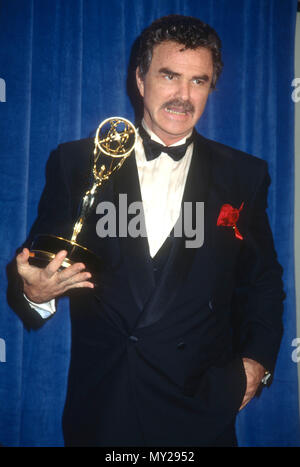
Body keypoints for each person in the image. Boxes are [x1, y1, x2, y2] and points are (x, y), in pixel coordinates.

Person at [13, 15, 284, 447]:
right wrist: (36, 294)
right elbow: (42, 264)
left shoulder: (243, 176)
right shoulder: (76, 162)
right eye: (169, 76)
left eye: (199, 81)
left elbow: (262, 281)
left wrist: (258, 362)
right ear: (140, 80)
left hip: (202, 403)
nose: (183, 95)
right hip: (105, 403)